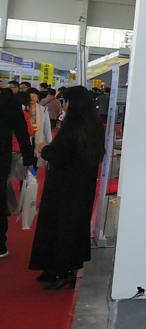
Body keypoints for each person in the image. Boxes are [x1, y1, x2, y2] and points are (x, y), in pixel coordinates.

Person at [29, 87, 105, 289]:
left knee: (59, 226)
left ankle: (62, 271)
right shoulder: (94, 124)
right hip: (82, 185)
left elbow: (60, 155)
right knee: (72, 226)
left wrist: (44, 149)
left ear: (71, 103)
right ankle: (58, 268)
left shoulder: (73, 126)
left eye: (65, 100)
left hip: (64, 186)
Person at [0, 87, 35, 259]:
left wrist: (28, 158)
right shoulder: (8, 99)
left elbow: (22, 129)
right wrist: (29, 159)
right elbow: (22, 129)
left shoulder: (7, 98)